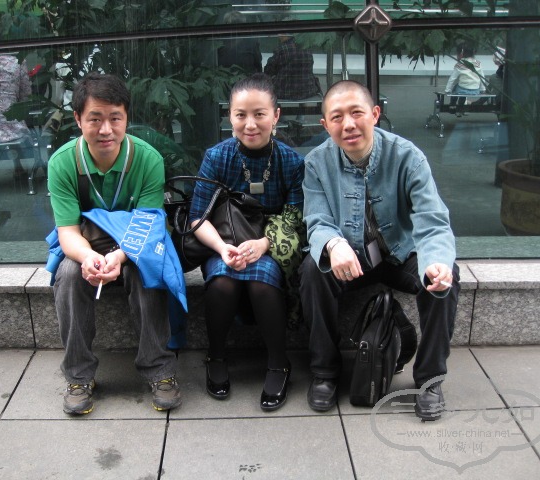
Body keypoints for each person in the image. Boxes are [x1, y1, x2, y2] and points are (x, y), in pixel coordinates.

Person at [300, 80, 460, 421]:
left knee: (445, 279)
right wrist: (333, 244)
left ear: (374, 114)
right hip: (351, 258)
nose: (348, 124)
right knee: (313, 271)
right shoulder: (316, 163)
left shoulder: (408, 156)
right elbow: (316, 219)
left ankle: (430, 379)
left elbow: (432, 221)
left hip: (401, 253)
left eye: (356, 113)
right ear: (325, 124)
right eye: (337, 117)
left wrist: (436, 262)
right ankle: (325, 372)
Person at [47, 72, 182, 414]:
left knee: (146, 269)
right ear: (78, 119)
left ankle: (159, 369)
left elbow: (150, 223)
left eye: (115, 118)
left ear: (126, 118)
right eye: (95, 119)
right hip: (87, 242)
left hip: (134, 241)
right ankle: (78, 375)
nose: (106, 129)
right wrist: (88, 258)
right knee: (68, 274)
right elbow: (67, 231)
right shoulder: (62, 163)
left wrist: (120, 257)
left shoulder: (147, 158)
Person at [189, 73, 304, 411]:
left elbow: (296, 218)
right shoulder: (217, 157)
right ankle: (216, 355)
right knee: (222, 281)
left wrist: (263, 245)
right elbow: (197, 217)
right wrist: (222, 248)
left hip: (270, 244)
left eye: (259, 114)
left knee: (262, 282)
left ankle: (278, 363)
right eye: (241, 115)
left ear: (276, 116)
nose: (250, 124)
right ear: (230, 116)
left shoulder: (291, 161)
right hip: (223, 240)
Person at [263, 33, 321, 101]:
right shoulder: (306, 48)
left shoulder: (281, 49)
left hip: (284, 93)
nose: (279, 36)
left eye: (280, 34)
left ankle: (279, 108)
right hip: (308, 91)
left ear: (285, 34)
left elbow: (268, 71)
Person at [444, 43, 486, 117]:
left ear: (461, 53)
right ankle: (461, 110)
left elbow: (452, 79)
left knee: (456, 88)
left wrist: (448, 90)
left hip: (462, 89)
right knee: (461, 88)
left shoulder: (460, 64)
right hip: (475, 90)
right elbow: (482, 77)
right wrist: (483, 89)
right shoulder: (478, 63)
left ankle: (452, 105)